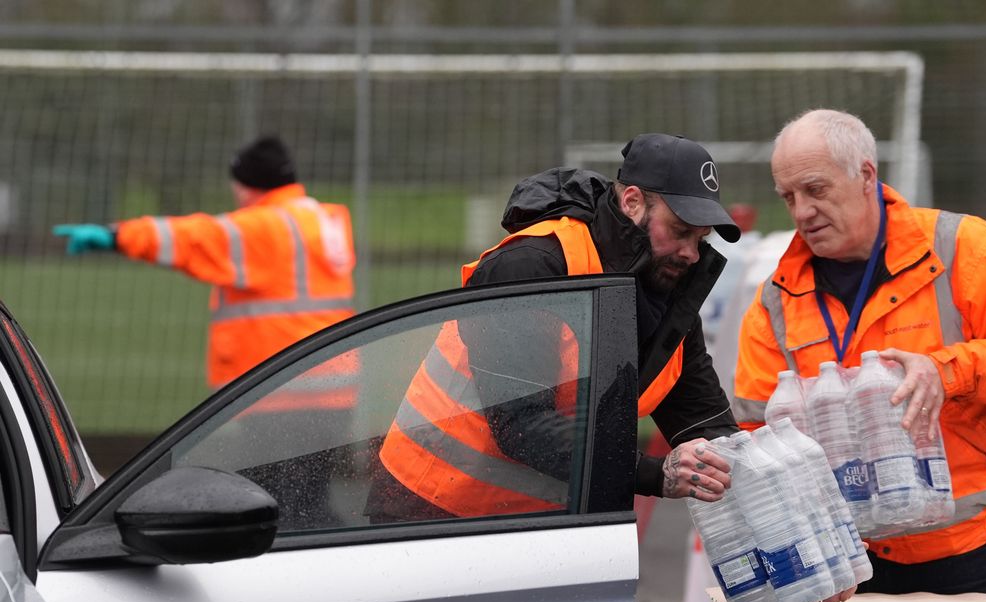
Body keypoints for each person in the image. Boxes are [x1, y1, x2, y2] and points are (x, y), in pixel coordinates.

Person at [733, 108, 986, 595]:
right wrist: (806, 549)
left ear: (865, 176)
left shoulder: (964, 248)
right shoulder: (778, 298)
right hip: (846, 564)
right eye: (788, 197)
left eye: (815, 190)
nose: (801, 212)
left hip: (961, 554)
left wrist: (948, 373)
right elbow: (756, 435)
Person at [367, 133, 747, 523]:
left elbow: (703, 418)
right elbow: (522, 426)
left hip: (545, 525)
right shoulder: (534, 266)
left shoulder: (666, 290)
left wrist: (753, 463)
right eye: (681, 230)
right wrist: (653, 474)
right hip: (429, 506)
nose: (692, 252)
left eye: (701, 239)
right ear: (632, 202)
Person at [54, 135, 359, 523]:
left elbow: (188, 238)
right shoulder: (324, 219)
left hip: (280, 394)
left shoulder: (260, 229)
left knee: (285, 510)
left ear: (247, 183)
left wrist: (115, 236)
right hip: (334, 391)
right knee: (314, 502)